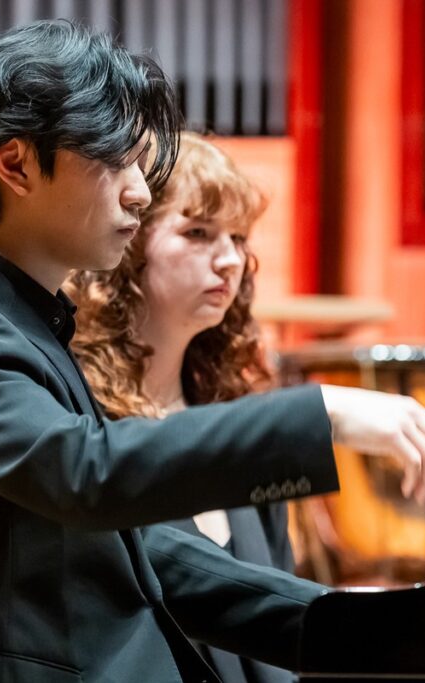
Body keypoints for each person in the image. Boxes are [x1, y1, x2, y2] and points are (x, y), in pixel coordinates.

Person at [0, 20, 425, 683]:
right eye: (117, 160)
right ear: (15, 164)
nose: (139, 189)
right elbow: (87, 473)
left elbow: (152, 559)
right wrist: (321, 414)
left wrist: (381, 631)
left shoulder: (31, 327)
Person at [66, 131, 297, 682]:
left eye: (238, 238)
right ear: (130, 243)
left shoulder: (242, 425)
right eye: (198, 233)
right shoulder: (79, 425)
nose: (230, 260)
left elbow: (281, 621)